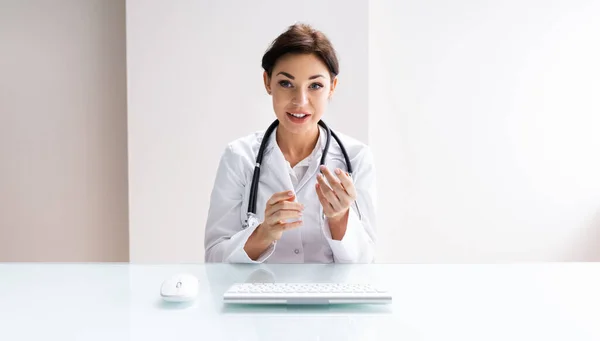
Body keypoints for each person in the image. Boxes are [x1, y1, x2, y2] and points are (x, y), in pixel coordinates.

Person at [204, 23, 377, 263]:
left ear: (332, 88)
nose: (300, 100)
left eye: (315, 86)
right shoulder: (239, 156)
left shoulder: (356, 158)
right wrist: (262, 235)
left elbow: (366, 264)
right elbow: (214, 259)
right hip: (260, 297)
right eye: (286, 83)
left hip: (329, 299)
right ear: (268, 82)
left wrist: (339, 218)